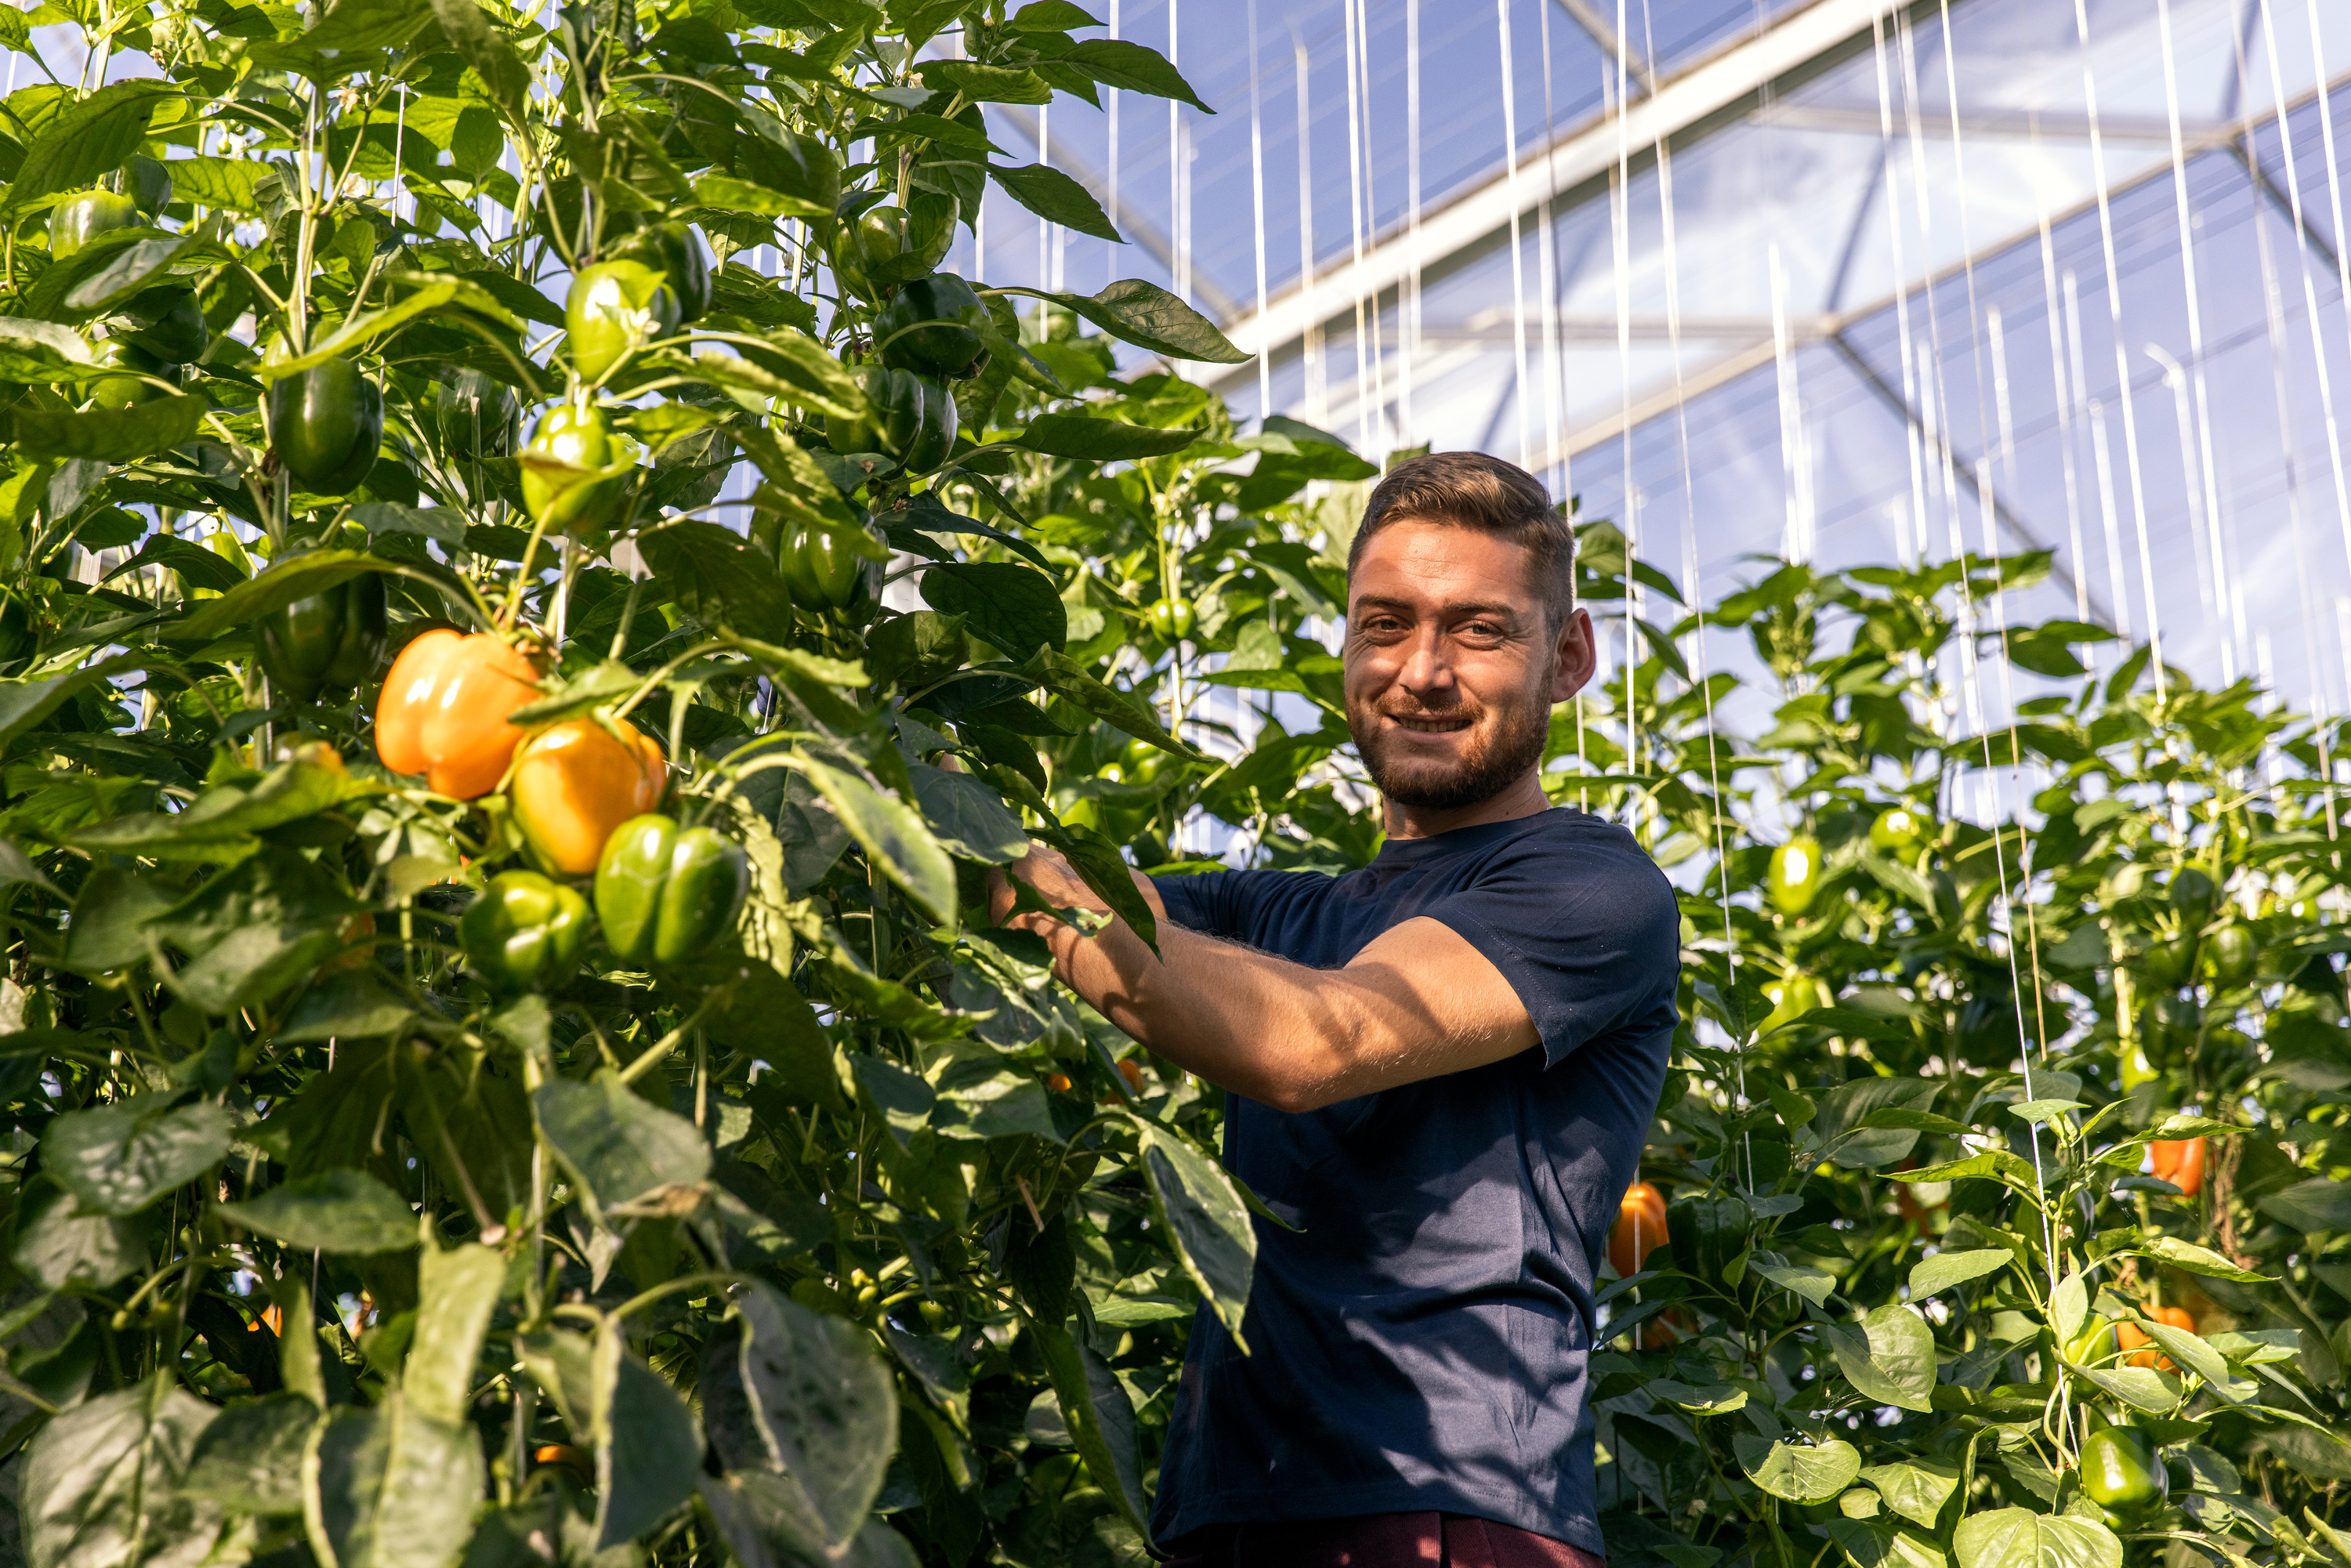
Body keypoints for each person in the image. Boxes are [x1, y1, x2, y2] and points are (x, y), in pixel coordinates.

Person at [989, 451, 1682, 1568]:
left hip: (1447, 1510)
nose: (1422, 670)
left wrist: (1011, 871)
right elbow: (1088, 907)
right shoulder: (1279, 914)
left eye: (1479, 630)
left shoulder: (1594, 887)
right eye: (1384, 625)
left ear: (1567, 658)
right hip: (1232, 1510)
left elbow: (1316, 1038)